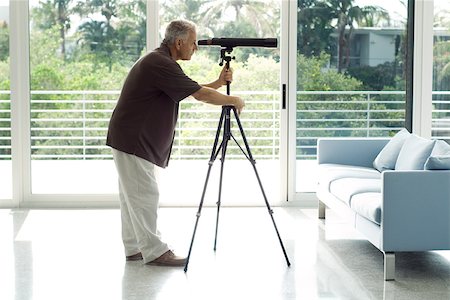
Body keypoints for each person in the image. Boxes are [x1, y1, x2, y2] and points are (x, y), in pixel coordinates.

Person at [106, 20, 245, 267]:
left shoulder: (161, 61)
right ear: (179, 42)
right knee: (144, 195)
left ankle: (134, 248)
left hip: (128, 137)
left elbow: (190, 89)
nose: (195, 48)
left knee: (132, 198)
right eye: (193, 43)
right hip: (134, 139)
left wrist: (217, 84)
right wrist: (232, 100)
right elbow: (199, 95)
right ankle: (155, 251)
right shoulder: (160, 63)